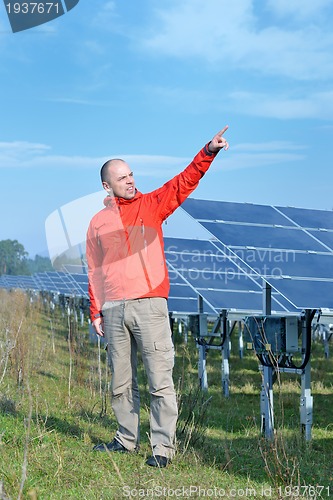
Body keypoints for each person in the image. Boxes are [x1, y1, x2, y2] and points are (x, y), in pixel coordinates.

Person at [86, 127, 229, 467]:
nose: (130, 181)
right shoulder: (97, 223)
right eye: (122, 178)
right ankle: (125, 439)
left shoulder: (152, 205)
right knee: (121, 381)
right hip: (114, 310)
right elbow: (94, 270)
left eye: (131, 174)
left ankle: (162, 449)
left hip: (150, 306)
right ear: (107, 186)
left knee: (159, 379)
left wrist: (208, 151)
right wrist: (96, 311)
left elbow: (183, 183)